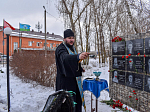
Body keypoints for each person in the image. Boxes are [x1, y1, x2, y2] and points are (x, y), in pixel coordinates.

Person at [55, 29, 90, 112]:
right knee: (67, 106)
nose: (71, 40)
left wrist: (80, 68)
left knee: (76, 103)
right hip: (65, 83)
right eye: (69, 38)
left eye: (72, 38)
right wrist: (77, 57)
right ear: (64, 39)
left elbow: (72, 63)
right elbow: (65, 59)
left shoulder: (72, 48)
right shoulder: (61, 49)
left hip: (75, 82)